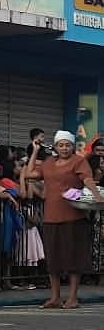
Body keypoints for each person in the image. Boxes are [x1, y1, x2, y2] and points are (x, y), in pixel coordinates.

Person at [26, 130, 104, 309]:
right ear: (55, 147)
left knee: (73, 258)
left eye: (67, 145)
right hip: (51, 216)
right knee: (53, 260)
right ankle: (55, 297)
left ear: (72, 146)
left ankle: (73, 297)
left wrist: (97, 196)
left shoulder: (79, 161)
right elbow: (30, 174)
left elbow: (87, 179)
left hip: (73, 216)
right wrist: (35, 151)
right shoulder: (48, 163)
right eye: (60, 145)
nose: (64, 148)